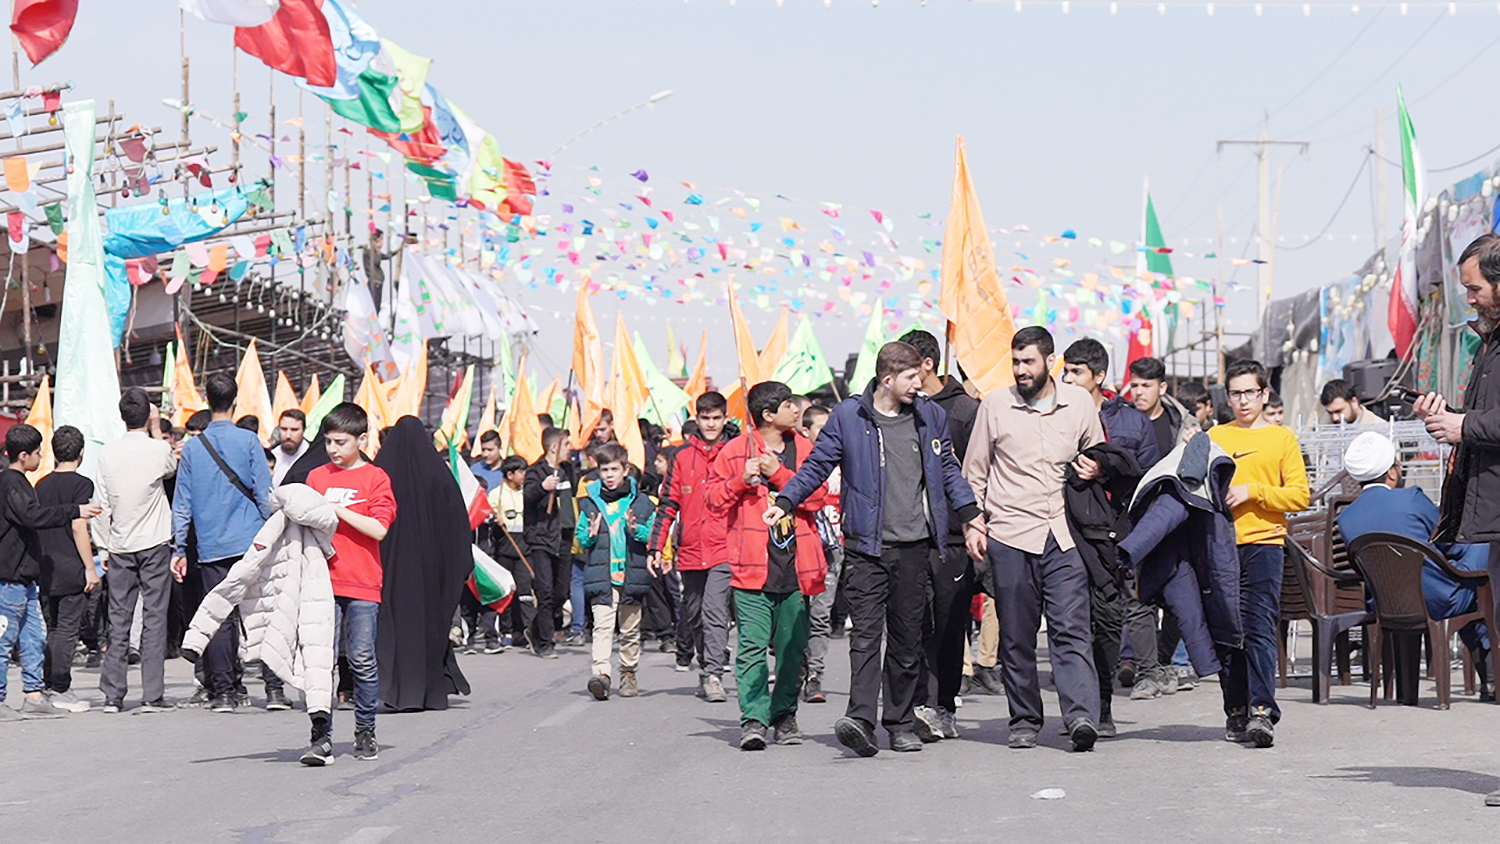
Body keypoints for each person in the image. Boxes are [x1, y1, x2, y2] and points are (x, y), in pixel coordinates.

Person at [772, 342, 984, 757]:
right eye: (911, 379)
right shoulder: (850, 417)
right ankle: (861, 720)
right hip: (866, 547)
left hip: (916, 546)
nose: (919, 385)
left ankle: (900, 722)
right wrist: (785, 500)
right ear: (888, 379)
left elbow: (947, 471)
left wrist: (971, 512)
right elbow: (817, 466)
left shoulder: (931, 415)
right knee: (865, 637)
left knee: (907, 639)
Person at [964, 327, 1106, 752]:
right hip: (1010, 535)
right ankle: (1025, 718)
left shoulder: (1079, 402)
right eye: (1015, 362)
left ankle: (1081, 715)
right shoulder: (995, 406)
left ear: (1050, 361)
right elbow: (976, 472)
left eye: (1028, 361)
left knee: (1071, 630)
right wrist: (975, 523)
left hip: (1064, 536)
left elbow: (1099, 454)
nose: (1021, 370)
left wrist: (1096, 468)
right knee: (1017, 636)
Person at [1414, 235, 1500, 806]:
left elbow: (1485, 422)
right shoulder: (1486, 346)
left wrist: (1464, 426)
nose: (1470, 298)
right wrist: (1448, 417)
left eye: (1475, 287)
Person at [707, 381, 829, 750]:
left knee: (793, 647)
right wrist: (739, 480)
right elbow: (712, 499)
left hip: (796, 567)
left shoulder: (805, 448)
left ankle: (784, 716)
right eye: (789, 405)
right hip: (751, 567)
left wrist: (779, 474)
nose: (797, 411)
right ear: (768, 415)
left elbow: (820, 496)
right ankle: (754, 718)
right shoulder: (734, 451)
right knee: (752, 646)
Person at [1337, 431, 1491, 695]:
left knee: (1474, 576)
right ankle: (1491, 673)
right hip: (1437, 599)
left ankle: (1485, 676)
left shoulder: (1346, 518)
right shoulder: (1411, 498)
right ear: (1393, 472)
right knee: (1484, 557)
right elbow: (1449, 541)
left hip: (1386, 604)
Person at [1061, 338, 1161, 734]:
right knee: (1070, 622)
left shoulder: (1131, 421)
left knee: (1106, 622)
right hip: (1068, 531)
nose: (1067, 378)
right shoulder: (1055, 413)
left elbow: (1150, 481)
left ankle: (1102, 706)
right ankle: (1080, 708)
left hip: (1113, 535)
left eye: (1076, 371)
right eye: (1065, 370)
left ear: (1099, 377)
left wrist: (1107, 469)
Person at [1208, 359, 1308, 749]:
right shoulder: (1214, 436)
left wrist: (1254, 492)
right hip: (1220, 547)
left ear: (1265, 394)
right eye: (1236, 393)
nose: (1244, 400)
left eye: (1251, 392)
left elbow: (1300, 495)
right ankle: (1235, 708)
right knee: (1226, 632)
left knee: (1260, 628)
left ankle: (1262, 711)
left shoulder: (1282, 439)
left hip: (1265, 542)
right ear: (1227, 396)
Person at [172, 373, 274, 713]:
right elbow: (264, 493)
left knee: (219, 615)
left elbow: (182, 503)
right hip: (251, 540)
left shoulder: (192, 449)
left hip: (211, 544)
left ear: (207, 399)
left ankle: (225, 692)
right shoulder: (248, 442)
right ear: (235, 400)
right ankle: (273, 690)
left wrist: (178, 548)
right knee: (261, 611)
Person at [302, 403, 397, 763]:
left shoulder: (376, 479)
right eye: (328, 442)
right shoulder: (316, 477)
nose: (333, 449)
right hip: (321, 585)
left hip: (361, 582)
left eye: (340, 442)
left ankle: (365, 730)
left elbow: (379, 528)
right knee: (320, 662)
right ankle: (321, 737)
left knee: (361, 659)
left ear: (361, 439)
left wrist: (336, 510)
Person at [899, 328, 982, 741]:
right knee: (910, 623)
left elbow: (975, 471)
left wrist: (973, 522)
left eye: (906, 366)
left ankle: (943, 706)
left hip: (952, 537)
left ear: (927, 364)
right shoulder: (897, 407)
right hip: (908, 535)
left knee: (949, 625)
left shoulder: (965, 410)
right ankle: (913, 704)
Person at [0, 423, 101, 720]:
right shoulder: (11, 483)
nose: (41, 456)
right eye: (36, 452)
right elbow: (32, 516)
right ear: (22, 455)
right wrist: (73, 510)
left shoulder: (27, 483)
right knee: (5, 640)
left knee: (34, 637)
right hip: (10, 577)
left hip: (27, 576)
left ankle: (34, 694)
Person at [374, 416, 472, 711]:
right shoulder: (438, 475)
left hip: (388, 571)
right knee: (428, 628)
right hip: (430, 575)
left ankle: (395, 692)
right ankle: (429, 691)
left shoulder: (380, 472)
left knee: (392, 629)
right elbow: (458, 528)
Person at [93, 389, 181, 714]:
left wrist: (104, 544)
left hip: (119, 544)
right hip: (155, 542)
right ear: (148, 415)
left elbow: (100, 504)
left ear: (121, 416)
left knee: (118, 618)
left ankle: (113, 695)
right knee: (155, 617)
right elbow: (171, 466)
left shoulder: (107, 454)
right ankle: (152, 694)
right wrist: (157, 429)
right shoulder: (159, 449)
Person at [648, 391, 733, 703]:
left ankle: (714, 673)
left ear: (725, 418)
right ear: (696, 419)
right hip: (690, 548)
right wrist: (656, 547)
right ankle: (704, 663)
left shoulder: (735, 452)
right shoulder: (681, 457)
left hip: (725, 546)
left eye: (716, 418)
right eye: (705, 418)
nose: (711, 424)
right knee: (694, 614)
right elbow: (668, 504)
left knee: (715, 610)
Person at [576, 442, 656, 701]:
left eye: (613, 469)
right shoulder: (589, 503)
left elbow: (652, 536)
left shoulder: (643, 503)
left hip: (631, 574)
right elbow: (581, 537)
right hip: (602, 575)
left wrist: (636, 530)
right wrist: (588, 535)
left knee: (630, 629)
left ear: (626, 469)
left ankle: (628, 672)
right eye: (603, 469)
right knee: (602, 627)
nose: (609, 475)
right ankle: (601, 674)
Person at [36, 426, 101, 713]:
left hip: (46, 563)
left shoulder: (42, 484)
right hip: (71, 562)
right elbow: (79, 526)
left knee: (52, 628)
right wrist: (90, 567)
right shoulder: (82, 484)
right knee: (67, 629)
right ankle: (60, 687)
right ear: (82, 452)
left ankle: (49, 682)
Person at [798, 403, 841, 704]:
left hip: (833, 551)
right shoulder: (798, 463)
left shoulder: (844, 462)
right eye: (821, 430)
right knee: (796, 615)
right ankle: (795, 670)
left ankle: (815, 676)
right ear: (806, 431)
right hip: (800, 549)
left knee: (820, 615)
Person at [522, 428, 575, 658]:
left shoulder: (568, 470)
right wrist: (542, 488)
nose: (570, 448)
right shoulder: (536, 471)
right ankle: (545, 642)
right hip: (542, 537)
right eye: (566, 445)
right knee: (544, 590)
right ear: (554, 447)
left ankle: (534, 629)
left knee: (561, 591)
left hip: (564, 538)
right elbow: (527, 497)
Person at [480, 455, 529, 653]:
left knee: (525, 592)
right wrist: (496, 519)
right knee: (507, 591)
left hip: (525, 548)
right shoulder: (496, 494)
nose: (524, 475)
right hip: (504, 549)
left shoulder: (527, 493)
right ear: (510, 474)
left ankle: (525, 630)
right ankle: (507, 631)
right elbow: (487, 514)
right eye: (521, 472)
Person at [1320, 378, 1385, 429]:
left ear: (1354, 402)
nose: (1335, 418)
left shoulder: (1379, 428)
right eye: (1330, 413)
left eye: (1339, 411)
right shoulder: (1326, 430)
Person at [271, 409, 309, 486]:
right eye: (284, 429)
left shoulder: (312, 456)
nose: (288, 436)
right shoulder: (271, 455)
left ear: (304, 430)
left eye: (294, 430)